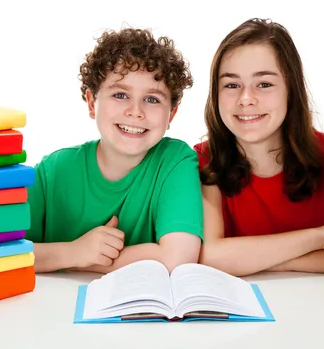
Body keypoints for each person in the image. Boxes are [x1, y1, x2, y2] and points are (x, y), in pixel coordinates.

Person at [26, 27, 204, 274]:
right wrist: (75, 252)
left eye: (152, 99)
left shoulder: (176, 161)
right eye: (120, 95)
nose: (135, 111)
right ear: (91, 103)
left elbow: (177, 258)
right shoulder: (53, 171)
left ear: (171, 114)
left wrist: (81, 260)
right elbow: (2, 255)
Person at [194, 18, 324, 277]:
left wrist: (262, 261)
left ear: (290, 89)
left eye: (264, 84)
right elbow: (211, 256)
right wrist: (319, 238)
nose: (246, 99)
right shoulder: (202, 160)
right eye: (231, 85)